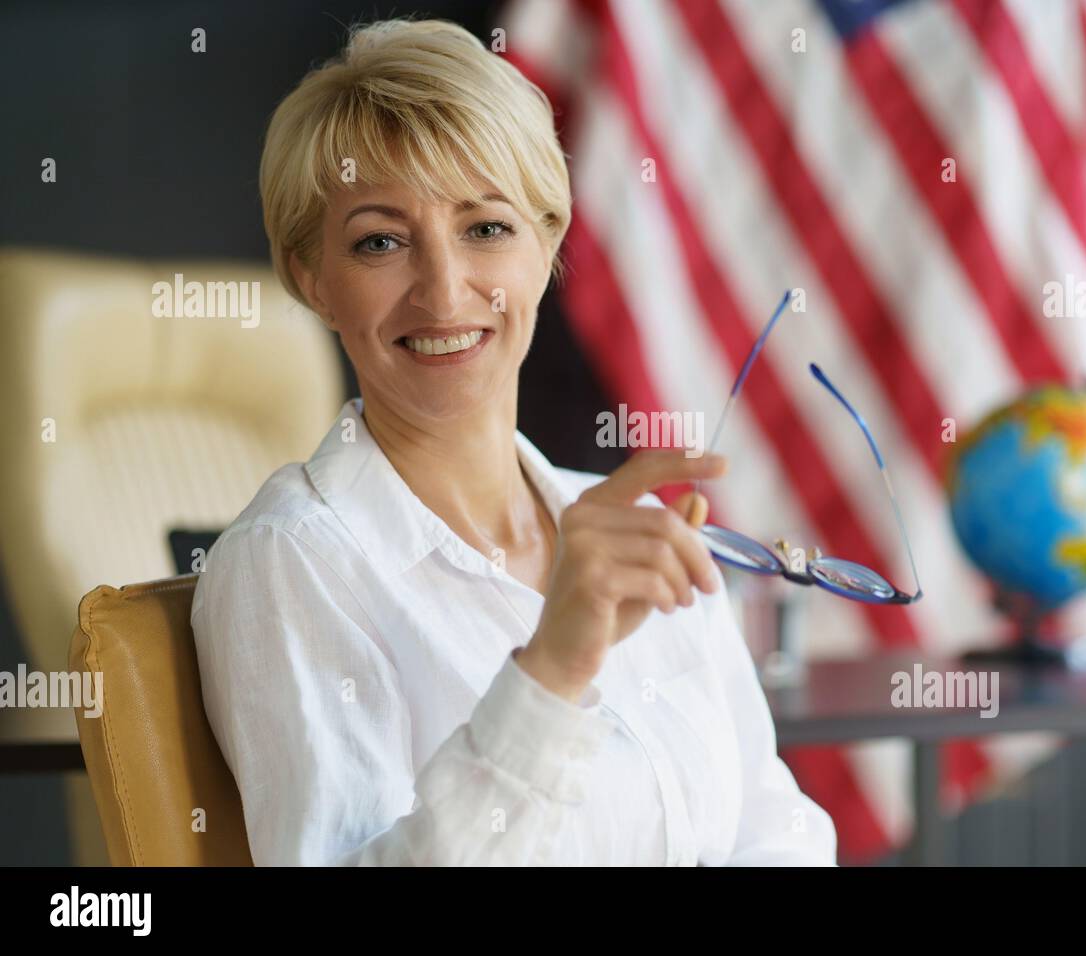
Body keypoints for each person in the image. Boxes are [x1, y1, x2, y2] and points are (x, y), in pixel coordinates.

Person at [191, 16, 836, 866]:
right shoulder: (291, 563)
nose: (443, 291)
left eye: (486, 228)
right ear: (312, 278)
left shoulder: (637, 528)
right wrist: (552, 673)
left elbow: (776, 832)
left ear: (548, 242)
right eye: (380, 241)